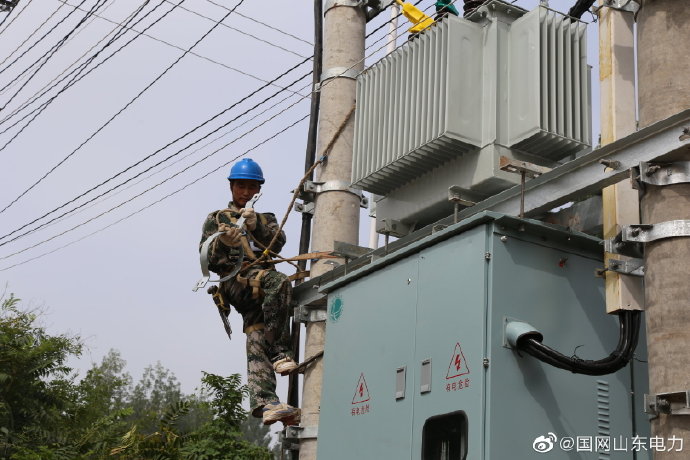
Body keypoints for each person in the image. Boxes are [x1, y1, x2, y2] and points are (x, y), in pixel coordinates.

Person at [199, 158, 299, 426]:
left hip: (261, 288)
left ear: (258, 190)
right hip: (236, 281)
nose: (245, 192)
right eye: (241, 186)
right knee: (279, 282)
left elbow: (277, 243)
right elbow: (208, 259)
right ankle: (280, 351)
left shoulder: (267, 218)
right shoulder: (217, 219)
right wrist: (223, 241)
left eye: (251, 187)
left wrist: (257, 226)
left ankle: (266, 403)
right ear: (232, 187)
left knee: (257, 332)